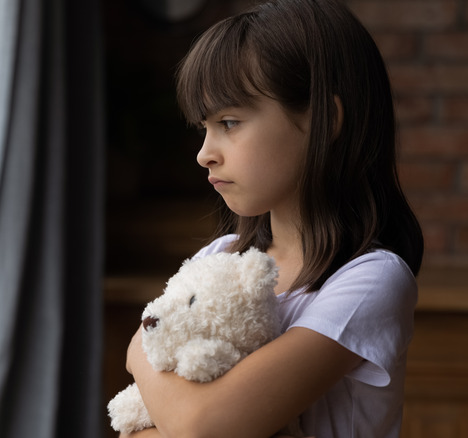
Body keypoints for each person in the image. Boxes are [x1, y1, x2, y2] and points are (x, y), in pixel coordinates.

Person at [120, 0, 425, 437]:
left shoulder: (369, 281)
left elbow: (202, 427)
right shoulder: (220, 257)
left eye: (229, 122)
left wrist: (137, 352)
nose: (205, 153)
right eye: (203, 127)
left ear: (324, 119)